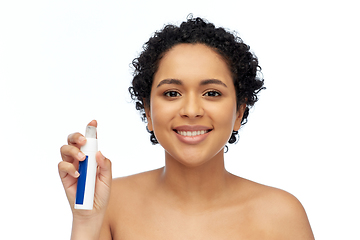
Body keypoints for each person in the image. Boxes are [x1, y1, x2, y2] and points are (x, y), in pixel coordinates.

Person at [59, 17, 315, 239]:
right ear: (148, 111)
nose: (191, 110)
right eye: (172, 93)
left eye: (212, 93)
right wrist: (86, 222)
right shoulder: (109, 203)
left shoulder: (281, 215)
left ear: (239, 112)